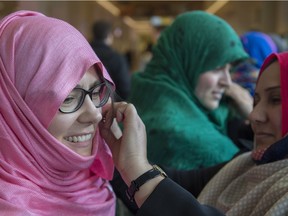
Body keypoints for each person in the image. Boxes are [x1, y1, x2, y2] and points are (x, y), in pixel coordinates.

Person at [105, 51, 288, 215]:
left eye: (276, 99)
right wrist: (117, 156)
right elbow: (184, 183)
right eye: (216, 68)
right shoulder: (248, 161)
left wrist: (137, 169)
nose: (253, 114)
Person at [0, 10, 128, 215]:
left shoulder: (91, 180)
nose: (95, 114)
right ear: (13, 106)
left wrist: (135, 171)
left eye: (96, 92)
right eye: (67, 98)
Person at [128, 11, 253, 170]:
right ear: (186, 63)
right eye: (217, 68)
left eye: (229, 69)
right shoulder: (182, 135)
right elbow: (248, 176)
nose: (227, 82)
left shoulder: (147, 94)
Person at [90, 20, 131, 101]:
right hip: (110, 106)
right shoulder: (117, 58)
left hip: (84, 103)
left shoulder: (84, 54)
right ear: (109, 36)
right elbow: (125, 89)